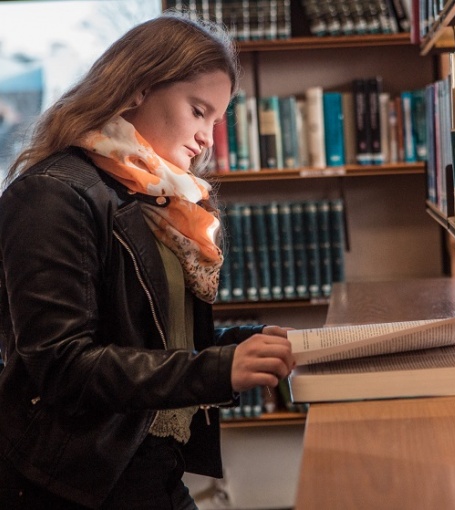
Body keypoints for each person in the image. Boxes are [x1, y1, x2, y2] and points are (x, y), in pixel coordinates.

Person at [0, 12, 296, 509]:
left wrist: (242, 345)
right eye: (198, 111)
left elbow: (148, 340)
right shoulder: (52, 197)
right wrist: (218, 369)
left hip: (145, 464)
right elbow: (64, 366)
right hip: (71, 483)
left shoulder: (155, 201)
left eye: (216, 121)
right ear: (138, 88)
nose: (208, 138)